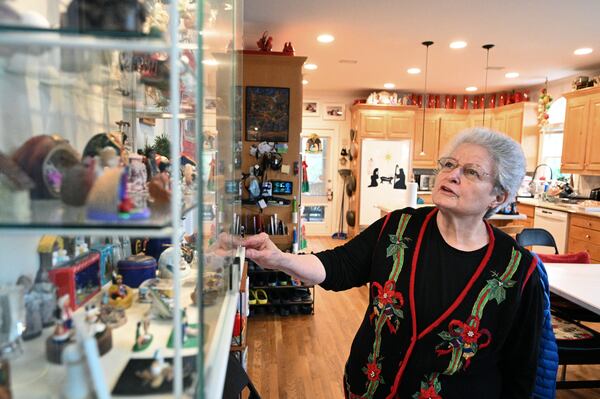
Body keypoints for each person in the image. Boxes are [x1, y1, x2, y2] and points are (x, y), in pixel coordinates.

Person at [243, 128, 544, 398]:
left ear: (498, 196)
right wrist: (280, 259)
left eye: (472, 172)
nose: (452, 175)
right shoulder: (399, 227)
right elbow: (338, 265)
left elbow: (521, 366)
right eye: (449, 164)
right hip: (369, 386)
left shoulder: (517, 268)